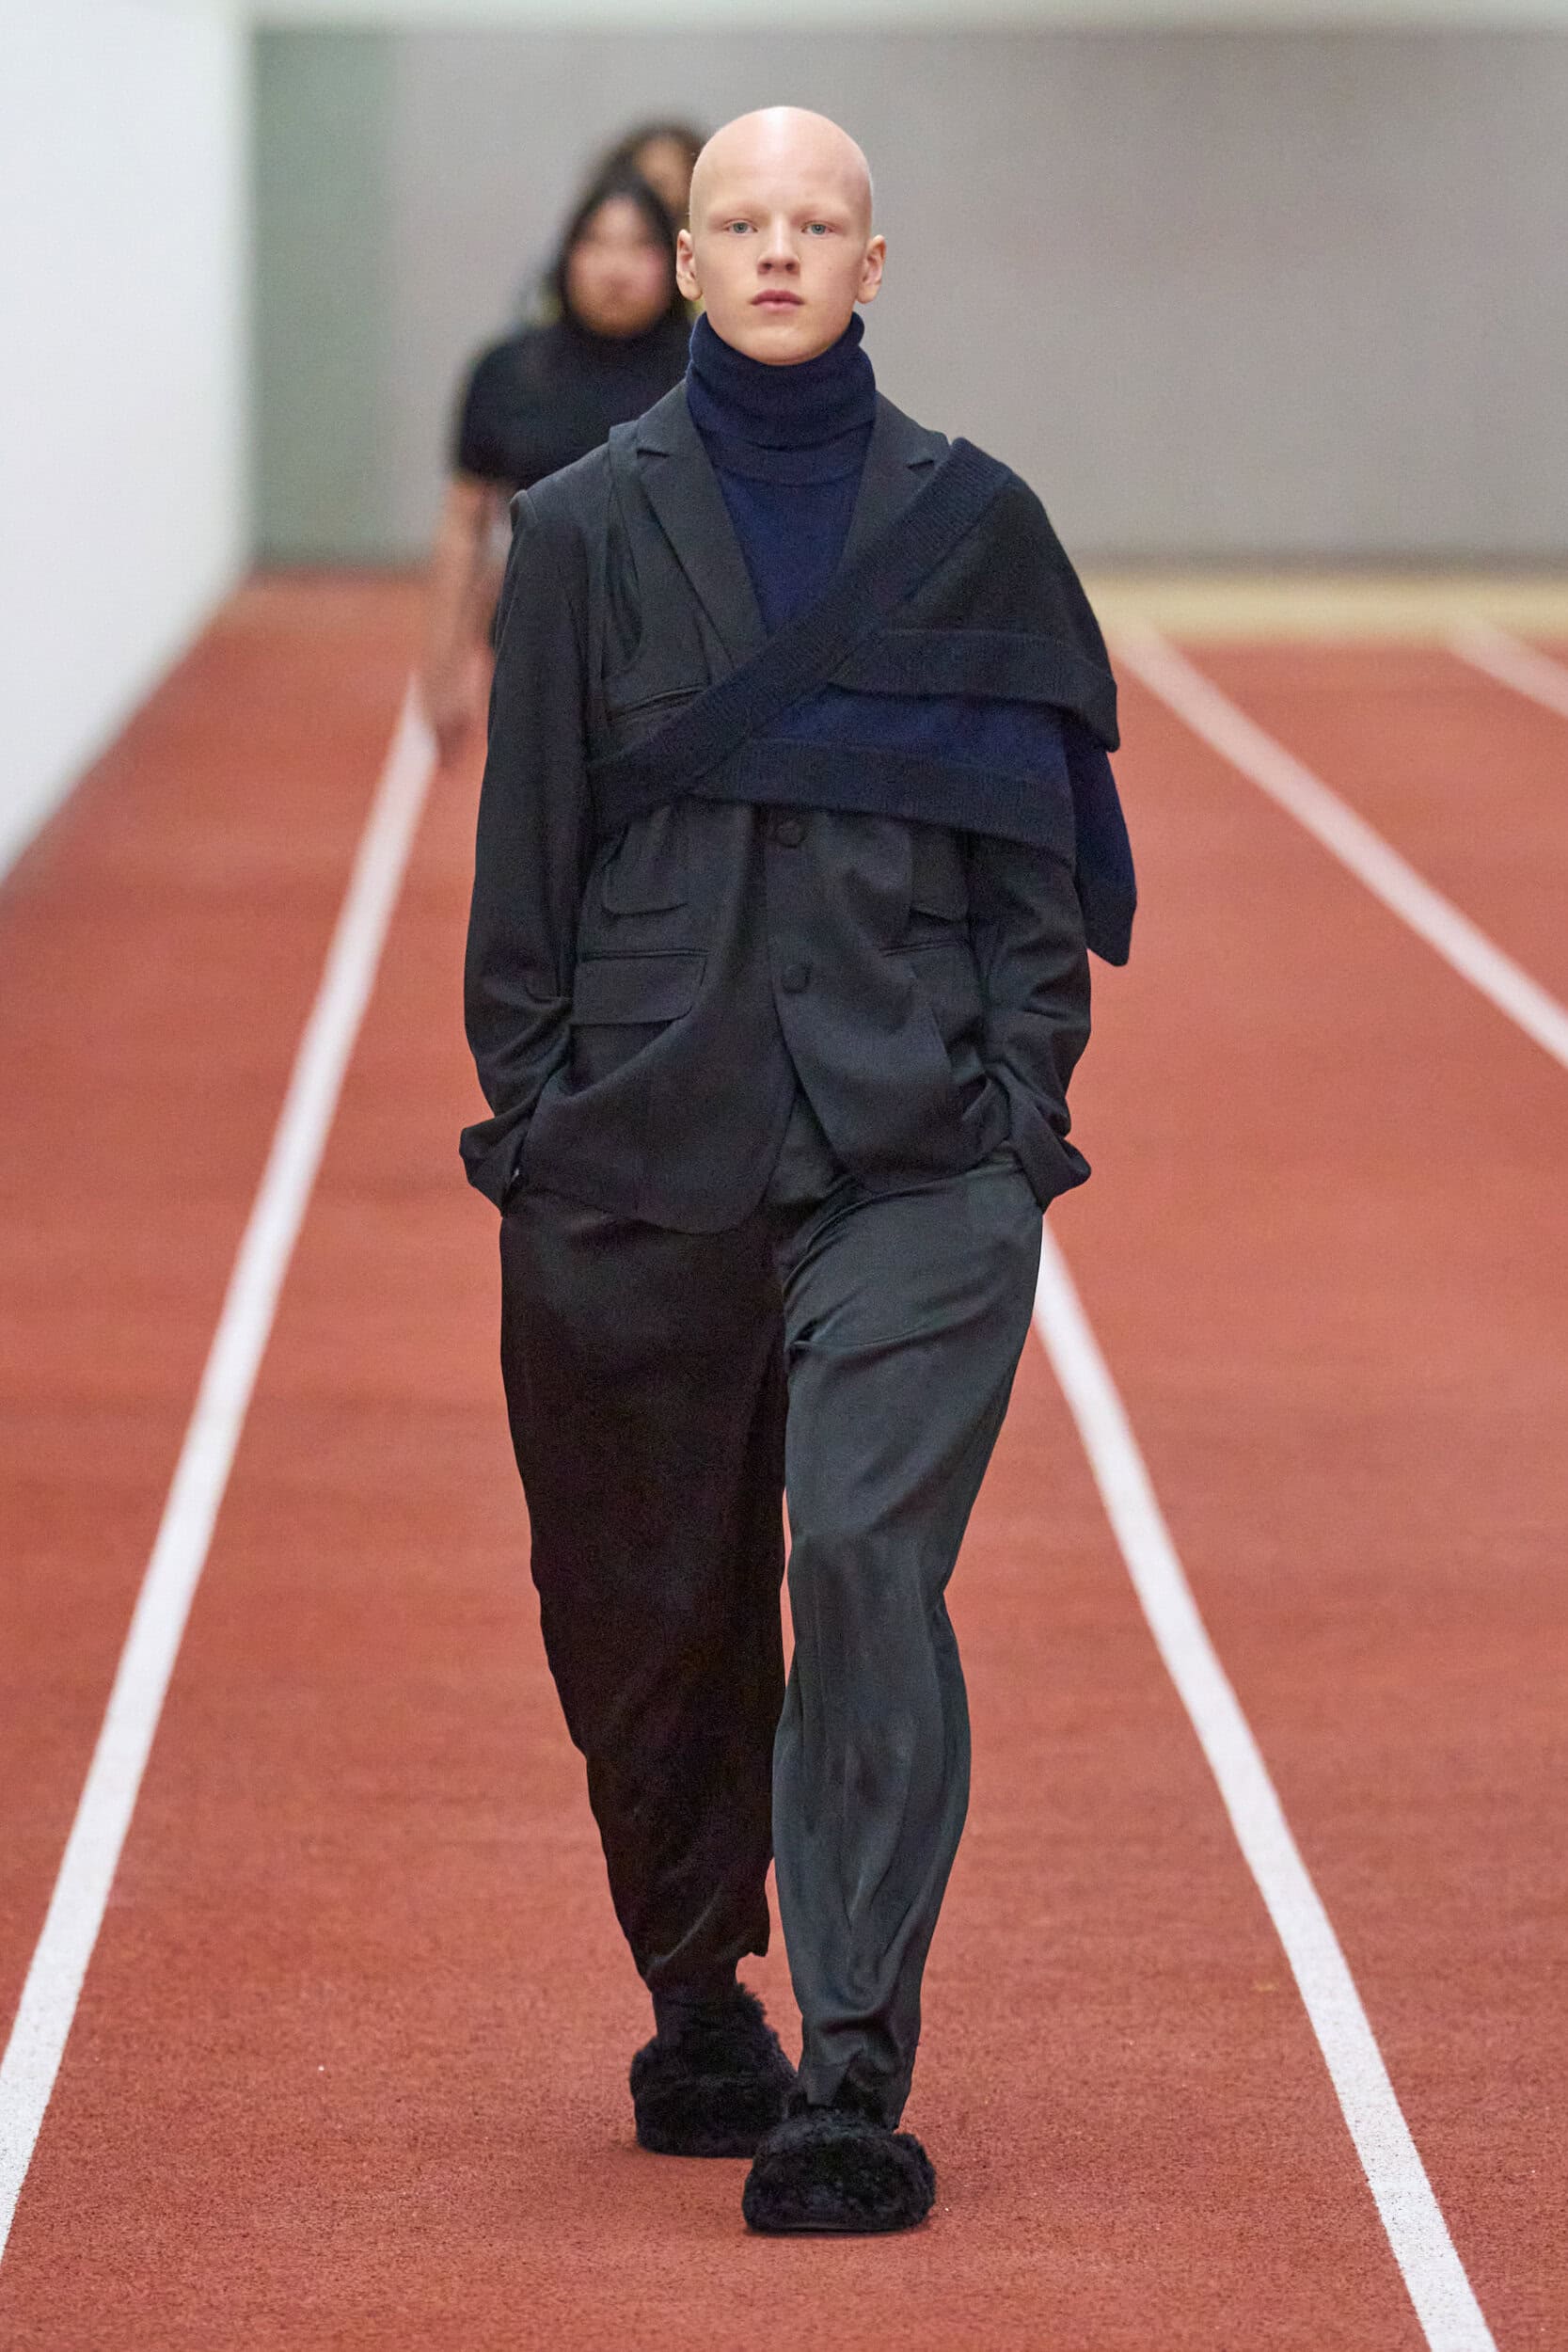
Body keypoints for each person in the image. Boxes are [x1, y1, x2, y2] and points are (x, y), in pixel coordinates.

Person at [462, 107, 1134, 2235]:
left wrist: (1018, 1111)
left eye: (813, 223)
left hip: (916, 1149)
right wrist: (540, 1111)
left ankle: (851, 2068)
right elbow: (524, 860)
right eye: (737, 222)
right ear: (685, 259)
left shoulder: (978, 527)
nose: (775, 251)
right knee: (643, 1605)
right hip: (640, 1148)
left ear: (872, 262)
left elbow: (1038, 855)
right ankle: (698, 1995)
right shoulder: (581, 528)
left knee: (858, 1561)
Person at [420, 169, 691, 763]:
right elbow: (465, 524)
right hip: (537, 651)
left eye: (640, 246)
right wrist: (442, 664)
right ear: (567, 255)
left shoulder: (706, 378)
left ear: (677, 263)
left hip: (674, 666)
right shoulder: (507, 373)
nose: (616, 268)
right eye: (597, 243)